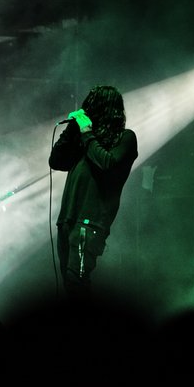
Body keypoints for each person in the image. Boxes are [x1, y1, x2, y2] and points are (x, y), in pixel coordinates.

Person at [49, 85, 138, 298]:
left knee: (76, 281)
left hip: (90, 223)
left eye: (91, 107)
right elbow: (56, 161)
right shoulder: (85, 142)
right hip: (68, 220)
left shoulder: (125, 138)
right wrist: (71, 130)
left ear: (104, 110)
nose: (86, 111)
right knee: (69, 285)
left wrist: (87, 133)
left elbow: (107, 164)